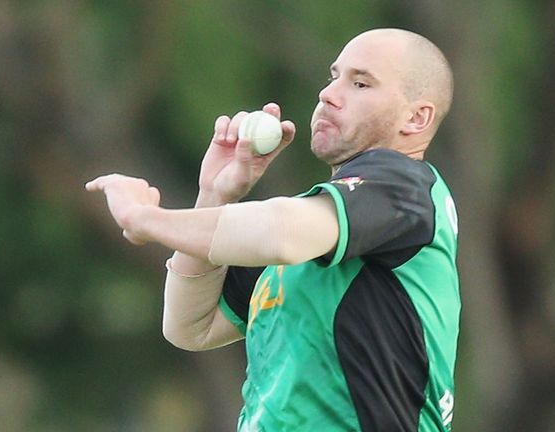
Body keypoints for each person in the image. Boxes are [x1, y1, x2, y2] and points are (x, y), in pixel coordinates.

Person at [86, 28, 460, 432]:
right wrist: (214, 194)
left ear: (416, 118)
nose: (328, 94)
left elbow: (282, 234)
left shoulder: (404, 186)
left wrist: (146, 218)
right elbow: (191, 327)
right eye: (334, 76)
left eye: (360, 83)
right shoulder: (320, 225)